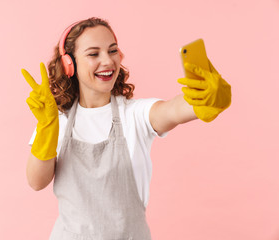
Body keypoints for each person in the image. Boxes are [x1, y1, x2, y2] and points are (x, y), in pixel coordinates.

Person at [22, 17, 231, 240]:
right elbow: (37, 182)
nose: (108, 61)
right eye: (94, 54)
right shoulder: (56, 120)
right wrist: (47, 127)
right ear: (69, 64)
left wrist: (207, 100)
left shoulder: (135, 114)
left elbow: (172, 110)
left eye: (112, 51)